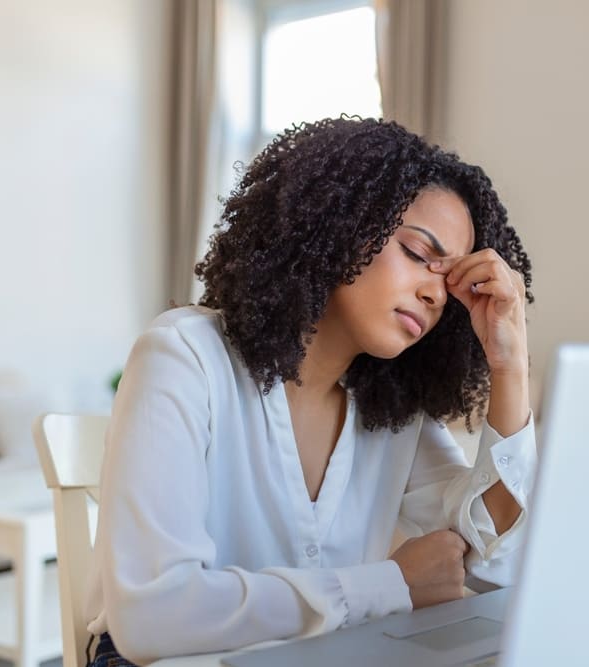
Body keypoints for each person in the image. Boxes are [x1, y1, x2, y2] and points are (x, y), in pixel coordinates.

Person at [86, 116, 538, 666]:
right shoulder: (184, 357)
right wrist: (390, 585)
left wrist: (509, 367)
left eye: (448, 281)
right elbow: (151, 619)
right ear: (339, 222)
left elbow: (491, 561)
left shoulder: (392, 411)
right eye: (418, 254)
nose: (433, 293)